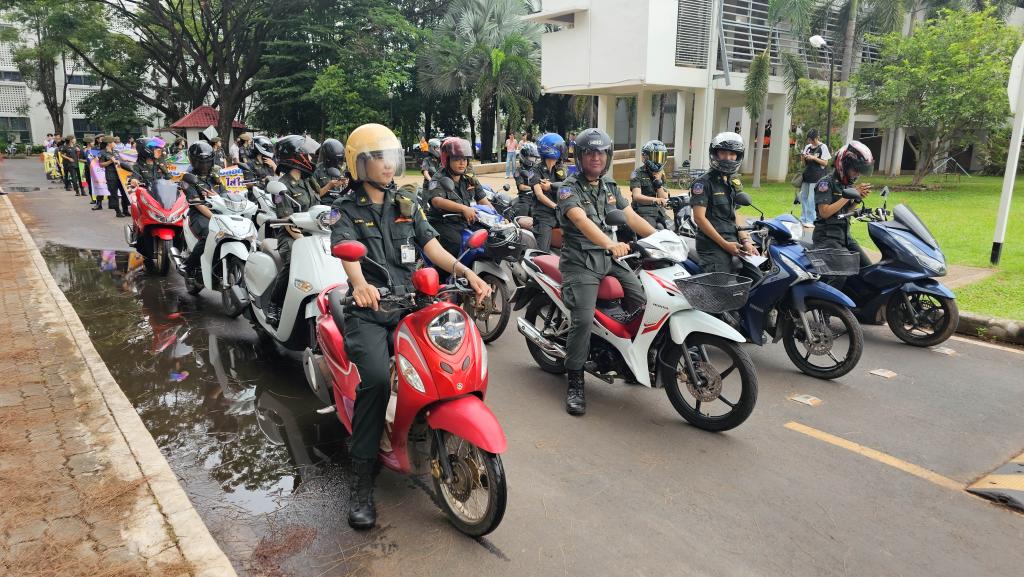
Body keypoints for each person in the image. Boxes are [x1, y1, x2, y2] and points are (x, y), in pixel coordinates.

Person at [329, 123, 491, 530]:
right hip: (370, 311)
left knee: (443, 362)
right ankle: (362, 481)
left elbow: (431, 246)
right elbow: (348, 255)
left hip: (412, 304)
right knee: (376, 381)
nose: (388, 165)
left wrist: (466, 272)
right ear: (359, 164)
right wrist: (360, 285)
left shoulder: (406, 201)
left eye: (391, 157)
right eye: (379, 158)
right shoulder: (345, 208)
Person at [557, 128, 653, 416]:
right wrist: (610, 244)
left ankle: (629, 357)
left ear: (607, 156)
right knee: (583, 319)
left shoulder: (609, 185)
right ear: (580, 157)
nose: (596, 157)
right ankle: (575, 380)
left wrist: (661, 238)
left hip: (609, 257)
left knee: (642, 300)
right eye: (590, 152)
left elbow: (630, 216)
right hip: (580, 262)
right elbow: (580, 220)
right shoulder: (568, 188)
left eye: (601, 152)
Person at [265, 135, 325, 324]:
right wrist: (304, 241)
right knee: (294, 262)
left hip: (315, 233)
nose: (311, 158)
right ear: (297, 157)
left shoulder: (308, 180)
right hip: (291, 235)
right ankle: (274, 304)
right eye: (308, 155)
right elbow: (286, 220)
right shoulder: (280, 187)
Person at [690, 132, 762, 282]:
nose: (728, 158)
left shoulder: (733, 181)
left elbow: (735, 214)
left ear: (738, 156)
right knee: (720, 286)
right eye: (723, 153)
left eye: (732, 154)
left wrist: (746, 241)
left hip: (734, 239)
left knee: (758, 278)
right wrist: (725, 244)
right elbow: (699, 218)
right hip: (712, 245)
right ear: (715, 154)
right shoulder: (703, 183)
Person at [424, 137, 492, 260]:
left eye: (464, 159)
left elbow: (483, 200)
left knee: (489, 239)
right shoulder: (438, 178)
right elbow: (437, 201)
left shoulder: (469, 179)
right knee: (456, 244)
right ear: (447, 160)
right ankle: (445, 271)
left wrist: (499, 219)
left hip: (463, 222)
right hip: (442, 223)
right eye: (457, 159)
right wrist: (463, 209)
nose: (462, 163)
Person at [812, 141, 874, 268]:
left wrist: (857, 199)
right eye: (855, 170)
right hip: (827, 238)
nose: (857, 174)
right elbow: (824, 212)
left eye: (859, 171)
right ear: (843, 165)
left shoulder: (846, 185)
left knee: (868, 268)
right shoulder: (825, 184)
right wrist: (849, 195)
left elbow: (845, 213)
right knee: (844, 271)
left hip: (844, 236)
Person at [182, 141, 223, 281]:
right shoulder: (188, 179)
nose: (205, 165)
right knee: (209, 234)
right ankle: (189, 267)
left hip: (220, 213)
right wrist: (214, 217)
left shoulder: (215, 177)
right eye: (201, 162)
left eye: (207, 162)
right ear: (193, 161)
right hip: (200, 215)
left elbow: (226, 194)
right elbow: (198, 204)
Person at [528, 134, 568, 252]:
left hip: (560, 214)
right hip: (544, 216)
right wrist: (555, 206)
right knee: (542, 251)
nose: (563, 150)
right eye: (560, 148)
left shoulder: (560, 169)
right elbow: (539, 195)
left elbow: (567, 188)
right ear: (550, 149)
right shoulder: (534, 170)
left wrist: (550, 186)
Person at [630, 140, 671, 229]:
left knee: (672, 228)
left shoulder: (661, 174)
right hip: (643, 211)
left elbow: (664, 198)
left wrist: (658, 182)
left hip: (659, 211)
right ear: (646, 157)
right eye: (656, 157)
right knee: (651, 230)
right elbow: (636, 196)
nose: (658, 161)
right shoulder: (636, 173)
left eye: (661, 157)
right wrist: (655, 200)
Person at [798, 129, 831, 228]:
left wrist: (814, 158)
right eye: (809, 139)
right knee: (803, 197)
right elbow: (803, 163)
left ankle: (811, 220)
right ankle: (803, 218)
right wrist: (803, 158)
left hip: (817, 177)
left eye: (811, 139)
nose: (810, 142)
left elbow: (825, 163)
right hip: (806, 176)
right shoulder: (807, 147)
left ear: (816, 138)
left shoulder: (823, 147)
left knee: (811, 199)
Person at [99, 136, 129, 217]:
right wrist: (110, 161)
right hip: (111, 175)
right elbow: (101, 164)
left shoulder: (115, 151)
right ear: (109, 143)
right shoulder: (102, 152)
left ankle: (125, 210)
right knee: (114, 194)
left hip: (120, 175)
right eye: (113, 142)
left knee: (124, 193)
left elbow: (120, 160)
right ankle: (118, 211)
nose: (114, 143)